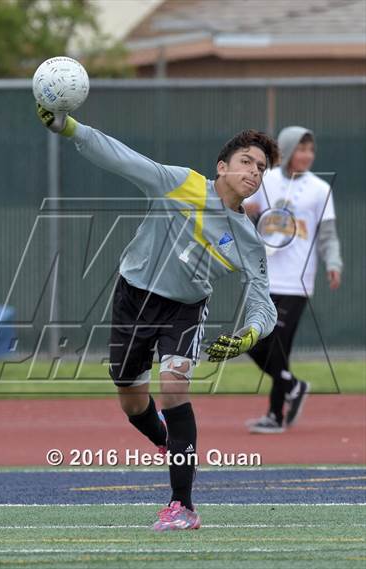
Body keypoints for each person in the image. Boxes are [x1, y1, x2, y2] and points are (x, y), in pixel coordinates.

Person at [37, 104, 279, 530]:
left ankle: (182, 505)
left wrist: (249, 335)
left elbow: (264, 305)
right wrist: (68, 126)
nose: (255, 172)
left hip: (184, 310)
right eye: (247, 161)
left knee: (172, 388)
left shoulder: (248, 240)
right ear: (221, 166)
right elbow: (120, 156)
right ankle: (176, 448)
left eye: (261, 168)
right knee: (131, 401)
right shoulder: (180, 183)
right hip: (132, 297)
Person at [244, 126, 343, 434]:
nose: (307, 155)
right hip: (264, 277)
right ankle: (293, 386)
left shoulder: (319, 189)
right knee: (253, 343)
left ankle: (275, 415)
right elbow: (249, 212)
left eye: (311, 150)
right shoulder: (267, 180)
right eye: (301, 149)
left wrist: (334, 262)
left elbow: (327, 235)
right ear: (286, 150)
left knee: (279, 347)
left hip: (297, 280)